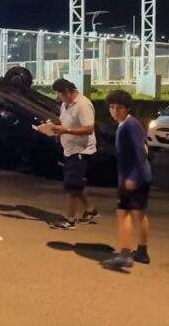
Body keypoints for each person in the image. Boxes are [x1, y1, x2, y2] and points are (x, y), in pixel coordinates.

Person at [101, 90, 153, 269]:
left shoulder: (130, 125)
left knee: (123, 214)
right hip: (141, 176)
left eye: (119, 107)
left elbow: (140, 152)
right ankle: (142, 252)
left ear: (127, 108)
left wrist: (132, 177)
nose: (115, 111)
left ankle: (124, 255)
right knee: (140, 213)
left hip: (133, 177)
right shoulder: (129, 124)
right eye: (112, 107)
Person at [49, 78, 99, 230]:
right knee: (77, 184)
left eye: (59, 94)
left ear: (67, 92)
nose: (58, 97)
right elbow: (65, 124)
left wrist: (66, 130)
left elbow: (88, 129)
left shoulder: (83, 105)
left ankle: (69, 220)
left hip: (81, 150)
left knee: (71, 186)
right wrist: (54, 127)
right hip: (70, 149)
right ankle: (91, 210)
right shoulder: (65, 104)